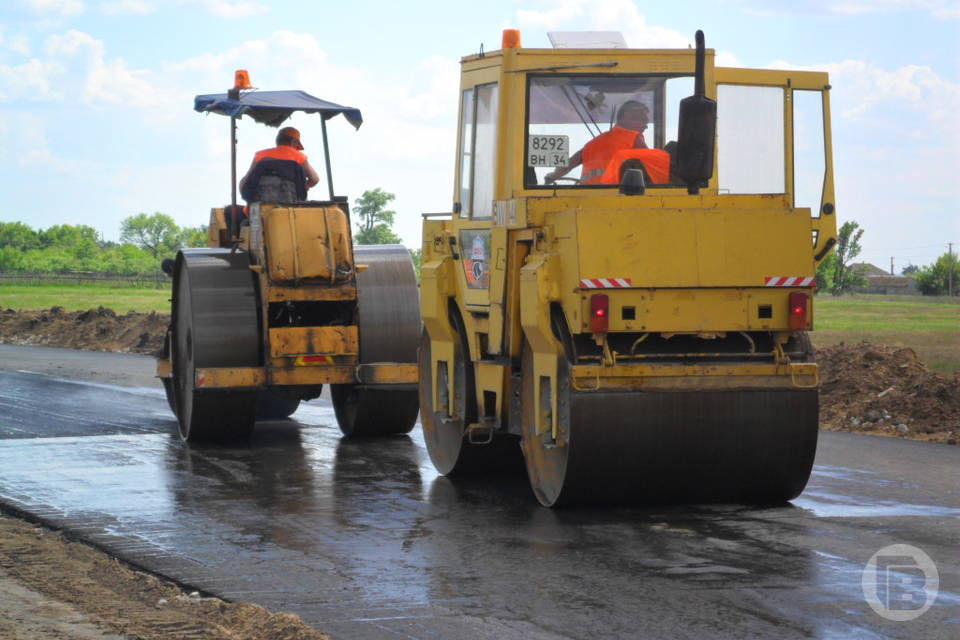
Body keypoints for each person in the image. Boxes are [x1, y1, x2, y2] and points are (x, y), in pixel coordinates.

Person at [545, 101, 650, 185]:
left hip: (587, 200)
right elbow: (651, 167)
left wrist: (552, 176)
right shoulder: (634, 139)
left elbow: (567, 165)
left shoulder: (592, 144)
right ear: (627, 117)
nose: (646, 126)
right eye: (643, 120)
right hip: (620, 199)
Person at [239, 126, 321, 203]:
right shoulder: (299, 157)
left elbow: (246, 181)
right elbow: (314, 179)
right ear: (294, 142)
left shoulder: (260, 155)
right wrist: (304, 187)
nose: (297, 149)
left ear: (278, 141)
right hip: (292, 204)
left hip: (260, 206)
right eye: (297, 146)